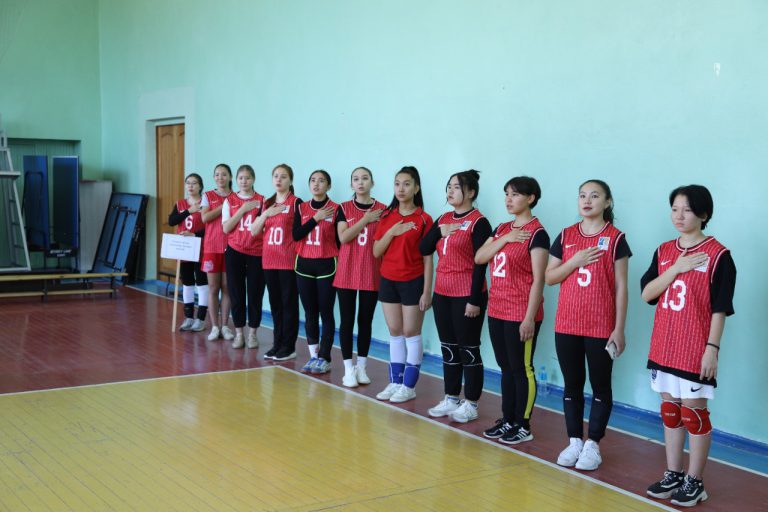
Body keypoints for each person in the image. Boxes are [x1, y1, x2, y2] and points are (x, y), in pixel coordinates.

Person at [641, 185, 735, 507]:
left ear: (704, 214)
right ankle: (674, 473)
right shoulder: (664, 251)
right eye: (675, 209)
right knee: (670, 412)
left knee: (694, 415)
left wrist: (712, 348)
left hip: (695, 348)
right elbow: (647, 293)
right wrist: (676, 268)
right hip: (664, 345)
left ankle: (696, 481)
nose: (679, 216)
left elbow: (720, 308)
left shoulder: (719, 255)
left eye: (688, 210)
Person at [545, 179, 630, 471]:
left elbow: (621, 287)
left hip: (601, 326)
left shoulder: (616, 238)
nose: (587, 200)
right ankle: (574, 441)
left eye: (594, 196)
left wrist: (619, 328)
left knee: (600, 386)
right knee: (572, 384)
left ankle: (593, 444)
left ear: (607, 202)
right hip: (567, 323)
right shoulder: (566, 235)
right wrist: (575, 261)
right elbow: (550, 277)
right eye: (582, 195)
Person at [475, 176, 549, 443]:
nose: (509, 199)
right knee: (505, 367)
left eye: (515, 194)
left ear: (530, 198)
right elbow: (480, 257)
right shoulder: (502, 229)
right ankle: (507, 419)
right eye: (506, 194)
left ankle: (523, 424)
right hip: (497, 309)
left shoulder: (537, 233)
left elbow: (539, 280)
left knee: (521, 368)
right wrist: (506, 238)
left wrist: (529, 318)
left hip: (521, 312)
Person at [420, 170, 491, 422]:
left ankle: (471, 403)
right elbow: (423, 247)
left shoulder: (479, 222)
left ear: (470, 192)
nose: (450, 191)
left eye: (456, 187)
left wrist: (474, 299)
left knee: (468, 350)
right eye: (448, 186)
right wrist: (440, 231)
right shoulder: (444, 219)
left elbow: (481, 264)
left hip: (467, 295)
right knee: (448, 348)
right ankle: (451, 397)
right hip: (443, 293)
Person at [373, 166, 434, 404]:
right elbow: (376, 251)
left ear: (416, 188)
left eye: (407, 184)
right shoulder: (387, 216)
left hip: (413, 281)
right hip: (388, 279)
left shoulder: (424, 219)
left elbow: (428, 259)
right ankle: (396, 381)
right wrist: (393, 231)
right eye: (397, 183)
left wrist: (426, 291)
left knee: (411, 332)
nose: (401, 188)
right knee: (395, 331)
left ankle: (409, 386)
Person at [334, 167, 386, 387]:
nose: (360, 182)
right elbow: (344, 237)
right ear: (351, 184)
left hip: (371, 270)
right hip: (347, 270)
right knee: (347, 321)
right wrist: (365, 220)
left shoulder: (383, 209)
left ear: (372, 183)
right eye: (356, 179)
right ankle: (348, 369)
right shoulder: (343, 208)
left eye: (365, 178)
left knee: (365, 321)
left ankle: (362, 367)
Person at [250, 164, 300, 361]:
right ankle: (277, 344)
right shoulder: (267, 203)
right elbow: (254, 231)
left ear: (290, 180)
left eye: (283, 176)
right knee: (275, 304)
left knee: (289, 304)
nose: (279, 179)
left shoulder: (296, 203)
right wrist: (266, 214)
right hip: (269, 260)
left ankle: (289, 346)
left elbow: (300, 233)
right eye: (276, 176)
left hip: (287, 261)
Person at [292, 170, 339, 374]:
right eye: (313, 180)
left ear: (329, 185)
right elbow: (296, 235)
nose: (316, 184)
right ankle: (313, 356)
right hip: (304, 265)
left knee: (326, 311)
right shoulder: (301, 208)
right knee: (310, 312)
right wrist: (316, 218)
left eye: (321, 181)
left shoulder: (336, 209)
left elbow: (340, 240)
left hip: (327, 265)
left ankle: (325, 357)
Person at [222, 164, 265, 349]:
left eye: (247, 178)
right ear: (236, 180)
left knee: (255, 293)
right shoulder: (230, 200)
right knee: (236, 293)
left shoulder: (262, 201)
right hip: (235, 251)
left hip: (257, 252)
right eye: (241, 178)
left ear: (253, 179)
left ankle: (253, 333)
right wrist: (243, 209)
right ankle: (239, 333)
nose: (244, 181)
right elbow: (226, 228)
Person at [167, 173, 209, 332]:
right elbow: (172, 221)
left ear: (200, 186)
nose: (191, 186)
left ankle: (201, 319)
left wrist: (195, 234)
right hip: (184, 249)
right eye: (188, 183)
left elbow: (210, 228)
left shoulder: (205, 203)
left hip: (201, 248)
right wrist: (188, 211)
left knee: (202, 283)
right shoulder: (180, 204)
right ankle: (189, 317)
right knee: (187, 282)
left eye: (194, 183)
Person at [201, 163, 235, 342]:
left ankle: (225, 326)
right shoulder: (208, 196)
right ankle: (214, 327)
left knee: (227, 287)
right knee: (213, 287)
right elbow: (205, 217)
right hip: (211, 247)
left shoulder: (236, 197)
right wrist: (223, 207)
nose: (220, 178)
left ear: (230, 177)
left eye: (224, 174)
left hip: (231, 247)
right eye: (217, 174)